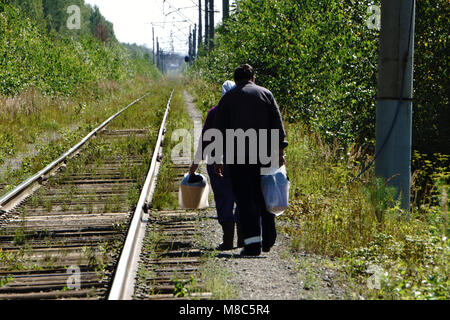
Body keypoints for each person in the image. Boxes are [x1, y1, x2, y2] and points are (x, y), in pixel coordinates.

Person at [213, 64, 288, 256]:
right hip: (266, 154)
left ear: (236, 79)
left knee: (246, 201)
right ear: (253, 78)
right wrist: (280, 153)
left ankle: (253, 245)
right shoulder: (266, 94)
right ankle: (269, 239)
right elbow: (277, 126)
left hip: (238, 158)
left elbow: (219, 132)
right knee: (266, 195)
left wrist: (219, 158)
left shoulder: (228, 99)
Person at [188, 80, 243, 251]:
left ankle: (228, 241)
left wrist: (195, 165)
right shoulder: (243, 112)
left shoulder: (214, 112)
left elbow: (205, 139)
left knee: (223, 199)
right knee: (242, 198)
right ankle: (242, 239)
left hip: (217, 162)